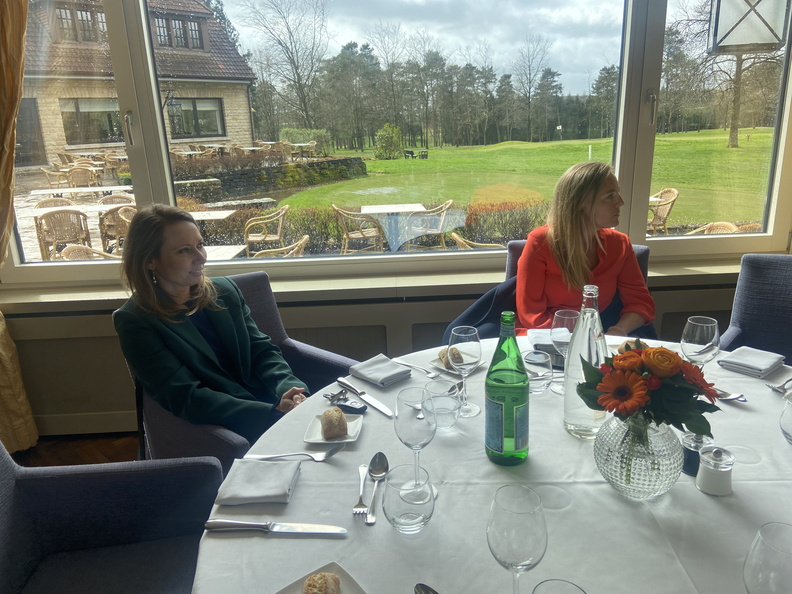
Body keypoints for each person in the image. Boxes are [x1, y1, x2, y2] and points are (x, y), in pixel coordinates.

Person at [113, 204, 308, 443]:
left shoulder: (225, 291)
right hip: (235, 423)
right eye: (184, 251)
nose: (201, 258)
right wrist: (271, 412)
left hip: (278, 403)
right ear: (150, 261)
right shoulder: (135, 320)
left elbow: (262, 351)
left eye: (200, 245)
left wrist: (291, 390)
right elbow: (186, 396)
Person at [516, 161, 655, 336]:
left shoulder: (619, 244)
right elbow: (531, 315)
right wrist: (577, 339)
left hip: (600, 336)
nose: (620, 202)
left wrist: (618, 331)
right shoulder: (540, 242)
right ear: (581, 203)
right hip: (547, 337)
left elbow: (641, 303)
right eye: (610, 196)